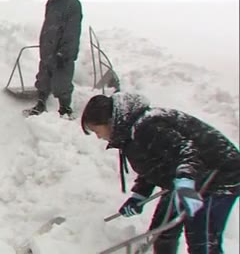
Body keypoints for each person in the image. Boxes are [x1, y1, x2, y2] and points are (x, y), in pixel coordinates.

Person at [81, 92, 240, 254]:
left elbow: (187, 152)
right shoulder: (130, 134)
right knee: (161, 231)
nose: (98, 137)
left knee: (202, 239)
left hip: (219, 174)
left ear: (109, 121)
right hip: (186, 177)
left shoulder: (149, 126)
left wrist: (185, 183)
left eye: (96, 130)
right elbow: (154, 164)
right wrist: (139, 196)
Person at [24, 0, 82, 118]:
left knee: (62, 81)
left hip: (63, 53)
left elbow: (72, 32)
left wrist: (64, 53)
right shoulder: (52, 2)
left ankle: (65, 109)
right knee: (43, 78)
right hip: (48, 50)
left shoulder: (72, 4)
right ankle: (41, 103)